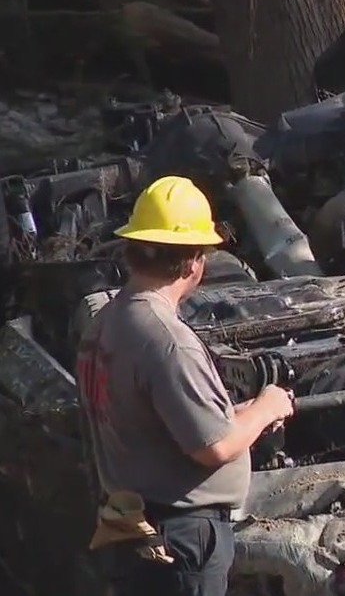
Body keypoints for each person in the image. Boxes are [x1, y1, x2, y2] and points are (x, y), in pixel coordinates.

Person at [76, 176, 296, 596]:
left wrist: (235, 414)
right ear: (196, 262)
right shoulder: (167, 341)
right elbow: (213, 447)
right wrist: (268, 406)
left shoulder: (104, 322)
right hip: (180, 541)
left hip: (132, 527)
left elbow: (147, 419)